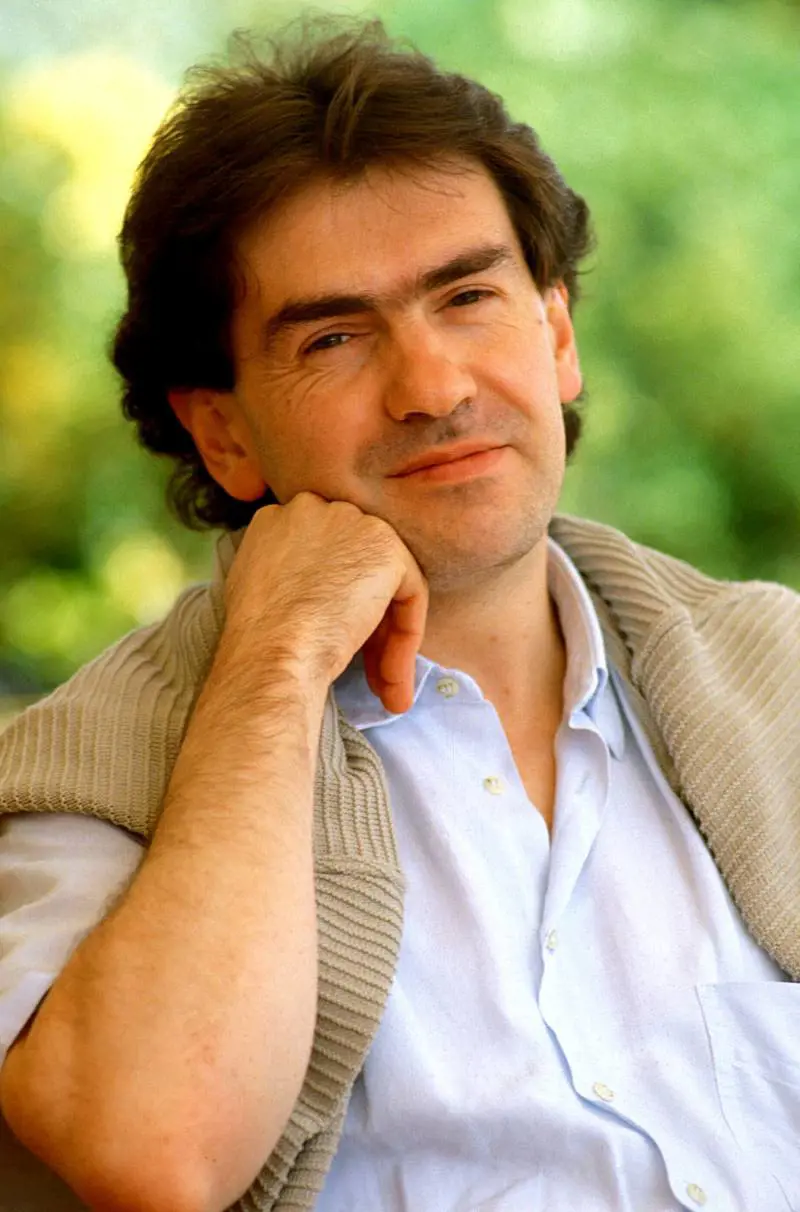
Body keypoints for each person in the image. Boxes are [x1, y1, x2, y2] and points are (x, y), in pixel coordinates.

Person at [1, 14, 799, 1212]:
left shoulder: (771, 670)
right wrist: (276, 657)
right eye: (332, 337)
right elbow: (150, 1153)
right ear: (222, 432)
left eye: (467, 296)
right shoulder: (90, 768)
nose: (430, 387)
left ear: (556, 333)